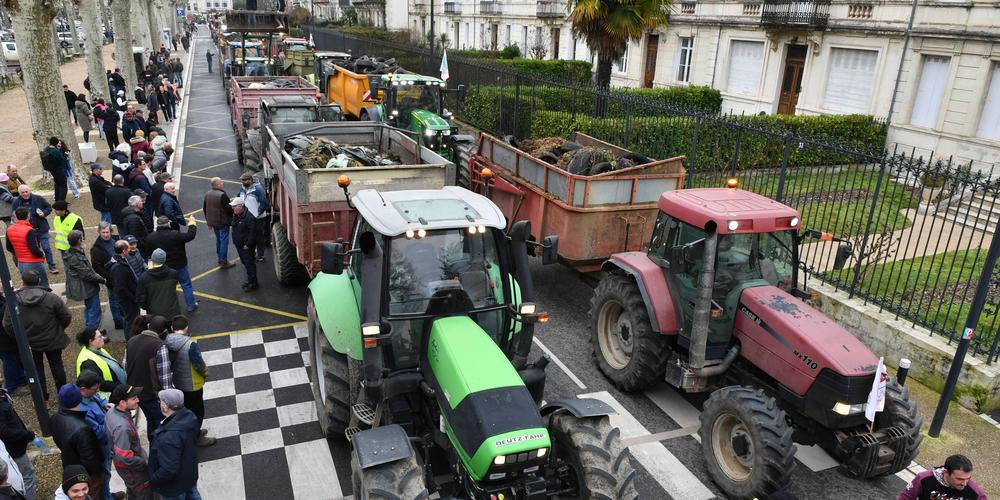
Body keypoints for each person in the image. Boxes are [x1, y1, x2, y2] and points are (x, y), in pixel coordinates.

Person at [2, 271, 71, 401]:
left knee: (37, 370)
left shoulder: (14, 301)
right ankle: (64, 395)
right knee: (57, 367)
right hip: (53, 339)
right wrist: (58, 329)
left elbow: (8, 325)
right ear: (38, 281)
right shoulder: (51, 297)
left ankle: (42, 398)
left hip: (30, 342)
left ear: (23, 282)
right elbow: (66, 316)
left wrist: (22, 337)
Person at [163, 317, 214, 447]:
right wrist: (206, 372)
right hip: (193, 384)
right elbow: (199, 364)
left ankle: (192, 432)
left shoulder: (167, 340)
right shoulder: (190, 344)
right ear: (186, 328)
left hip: (178, 382)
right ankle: (196, 437)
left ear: (172, 328)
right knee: (197, 411)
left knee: (186, 410)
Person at [50, 384, 104, 495]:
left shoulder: (54, 418)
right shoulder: (83, 429)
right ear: (79, 399)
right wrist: (97, 473)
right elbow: (90, 461)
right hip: (86, 474)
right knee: (91, 494)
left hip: (70, 465)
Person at [125, 319, 173, 440]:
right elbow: (165, 376)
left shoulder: (131, 341)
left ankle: (154, 448)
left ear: (148, 326)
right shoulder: (159, 346)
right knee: (162, 424)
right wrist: (168, 398)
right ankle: (160, 451)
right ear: (164, 331)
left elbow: (125, 365)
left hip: (136, 393)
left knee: (151, 420)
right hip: (153, 394)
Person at [148, 389, 200, 500]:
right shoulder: (189, 416)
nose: (160, 404)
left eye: (161, 402)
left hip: (174, 487)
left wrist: (153, 478)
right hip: (189, 475)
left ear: (165, 407)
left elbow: (169, 469)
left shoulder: (168, 437)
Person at [105, 385, 151, 500]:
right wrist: (143, 463)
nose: (138, 400)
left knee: (133, 491)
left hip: (127, 471)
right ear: (122, 403)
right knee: (143, 494)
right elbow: (124, 458)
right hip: (134, 471)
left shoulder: (112, 412)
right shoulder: (122, 428)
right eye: (134, 398)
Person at [144, 217, 198, 313]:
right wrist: (192, 223)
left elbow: (148, 252)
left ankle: (170, 307)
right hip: (180, 264)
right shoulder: (175, 234)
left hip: (163, 267)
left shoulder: (150, 238)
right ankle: (191, 305)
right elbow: (190, 236)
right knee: (186, 285)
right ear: (168, 224)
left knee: (167, 288)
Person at [64, 231, 106, 330]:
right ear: (79, 241)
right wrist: (102, 280)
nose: (83, 239)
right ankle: (93, 333)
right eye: (82, 238)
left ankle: (90, 329)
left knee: (90, 308)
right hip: (86, 287)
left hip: (84, 286)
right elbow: (87, 274)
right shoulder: (75, 257)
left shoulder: (70, 253)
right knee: (94, 310)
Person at [898, 454, 987, 500]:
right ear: (946, 472)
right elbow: (905, 498)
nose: (964, 483)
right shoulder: (924, 479)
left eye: (968, 478)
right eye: (960, 479)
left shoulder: (975, 492)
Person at [11, 186, 56, 273]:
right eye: (22, 192)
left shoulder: (38, 198)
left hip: (41, 228)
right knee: (35, 249)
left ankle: (52, 266)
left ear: (30, 191)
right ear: (19, 193)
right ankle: (40, 267)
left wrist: (44, 213)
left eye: (26, 191)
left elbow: (49, 207)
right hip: (28, 231)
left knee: (46, 248)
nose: (25, 194)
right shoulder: (16, 202)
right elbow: (14, 215)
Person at [0, 389, 35, 500]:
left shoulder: (3, 394)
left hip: (15, 447)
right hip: (14, 449)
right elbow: (5, 432)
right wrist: (27, 434)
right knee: (27, 475)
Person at [90, 223, 125, 330]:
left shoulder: (116, 239)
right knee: (114, 299)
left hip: (122, 274)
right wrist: (108, 278)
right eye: (103, 232)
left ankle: (122, 314)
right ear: (99, 232)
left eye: (107, 232)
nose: (105, 235)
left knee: (122, 297)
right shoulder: (96, 248)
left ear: (111, 231)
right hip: (111, 278)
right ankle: (118, 321)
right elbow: (97, 267)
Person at [75, 329, 126, 400]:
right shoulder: (88, 363)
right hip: (108, 398)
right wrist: (120, 387)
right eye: (99, 337)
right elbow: (99, 384)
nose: (103, 338)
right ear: (91, 341)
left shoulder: (97, 349)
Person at [4, 209, 49, 289]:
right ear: (28, 216)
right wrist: (42, 254)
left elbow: (8, 247)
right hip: (33, 262)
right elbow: (34, 249)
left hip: (21, 263)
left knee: (29, 286)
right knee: (43, 285)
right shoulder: (29, 230)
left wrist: (19, 253)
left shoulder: (9, 229)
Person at [137, 248, 183, 318]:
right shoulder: (173, 273)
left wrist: (147, 307)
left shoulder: (144, 277)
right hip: (173, 312)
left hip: (154, 315)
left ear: (152, 260)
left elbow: (140, 298)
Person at [108, 242, 140, 340]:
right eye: (128, 249)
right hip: (127, 300)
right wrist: (133, 297)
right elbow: (120, 288)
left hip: (126, 298)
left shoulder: (118, 262)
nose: (129, 250)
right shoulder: (119, 267)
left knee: (129, 319)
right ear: (123, 251)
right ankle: (131, 340)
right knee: (131, 320)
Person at [203, 178, 234, 269]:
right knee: (224, 241)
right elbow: (229, 209)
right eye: (221, 182)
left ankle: (220, 259)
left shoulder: (207, 194)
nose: (222, 183)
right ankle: (223, 261)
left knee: (219, 240)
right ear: (217, 185)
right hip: (222, 222)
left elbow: (205, 209)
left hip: (213, 222)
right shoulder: (222, 195)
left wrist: (208, 222)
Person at [238, 173, 269, 262]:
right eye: (242, 180)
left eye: (245, 180)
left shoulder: (258, 189)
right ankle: (252, 254)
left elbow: (264, 203)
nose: (243, 182)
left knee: (259, 237)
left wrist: (257, 214)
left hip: (258, 218)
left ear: (250, 180)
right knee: (249, 236)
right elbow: (240, 199)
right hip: (247, 218)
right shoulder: (242, 188)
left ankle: (260, 255)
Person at [230, 197, 258, 291]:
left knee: (249, 264)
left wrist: (248, 245)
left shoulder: (249, 217)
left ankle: (253, 284)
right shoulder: (236, 215)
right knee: (245, 263)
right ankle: (250, 281)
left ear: (241, 206)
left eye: (234, 206)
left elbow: (253, 233)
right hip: (239, 246)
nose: (232, 208)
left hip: (246, 247)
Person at [39, 137, 69, 203]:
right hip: (59, 170)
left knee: (57, 184)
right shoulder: (56, 151)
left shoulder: (46, 149)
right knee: (63, 186)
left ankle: (57, 199)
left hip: (52, 170)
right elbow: (63, 161)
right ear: (56, 143)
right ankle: (61, 201)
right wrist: (66, 155)